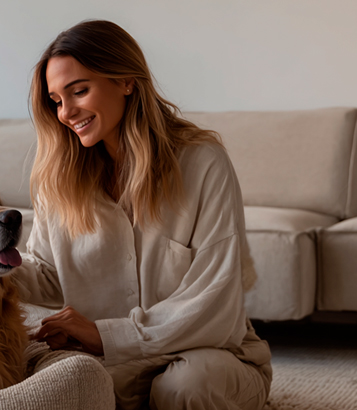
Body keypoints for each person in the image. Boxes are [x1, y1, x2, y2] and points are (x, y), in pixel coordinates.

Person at [15, 20, 272, 410]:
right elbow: (48, 276)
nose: (66, 112)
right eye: (55, 100)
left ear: (126, 81)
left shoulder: (203, 162)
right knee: (48, 381)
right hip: (110, 365)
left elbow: (214, 302)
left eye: (79, 91)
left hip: (207, 358)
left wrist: (104, 335)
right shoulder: (59, 178)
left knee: (183, 388)